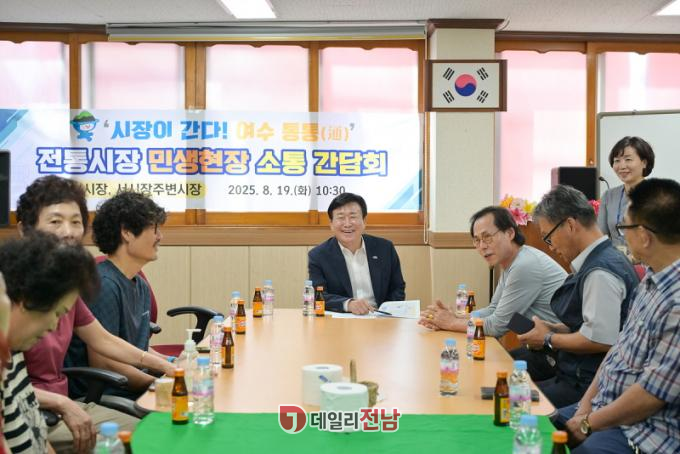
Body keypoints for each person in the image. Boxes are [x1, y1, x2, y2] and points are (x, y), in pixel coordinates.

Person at [16, 176, 174, 453]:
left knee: (161, 432)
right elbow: (9, 387)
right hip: (34, 411)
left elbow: (104, 339)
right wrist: (61, 404)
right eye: (55, 221)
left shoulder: (66, 284)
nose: (68, 232)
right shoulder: (11, 289)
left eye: (76, 222)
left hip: (64, 404)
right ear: (25, 230)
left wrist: (170, 369)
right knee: (142, 442)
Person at [554, 178, 680, 453]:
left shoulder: (676, 302)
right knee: (531, 429)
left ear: (644, 236)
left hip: (643, 432)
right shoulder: (651, 279)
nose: (620, 235)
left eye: (624, 227)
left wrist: (587, 423)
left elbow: (650, 395)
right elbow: (617, 352)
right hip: (602, 409)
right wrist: (584, 409)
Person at [519, 185, 638, 408]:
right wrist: (555, 329)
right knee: (509, 390)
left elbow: (600, 339)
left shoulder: (600, 271)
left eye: (548, 238)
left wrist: (548, 338)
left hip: (588, 386)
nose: (551, 247)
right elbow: (592, 325)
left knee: (513, 402)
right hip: (575, 375)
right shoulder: (602, 258)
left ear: (570, 225)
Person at [419, 206, 566, 379]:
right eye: (477, 240)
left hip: (559, 355)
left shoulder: (525, 265)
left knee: (486, 374)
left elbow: (497, 326)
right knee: (478, 365)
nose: (482, 246)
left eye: (487, 237)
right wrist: (454, 317)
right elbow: (493, 309)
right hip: (541, 349)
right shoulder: (513, 262)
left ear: (510, 233)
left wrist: (450, 323)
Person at [0, 233, 99, 454]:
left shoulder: (14, 351)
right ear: (27, 300)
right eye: (56, 313)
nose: (54, 326)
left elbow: (37, 433)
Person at [65, 191, 169, 400]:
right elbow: (105, 363)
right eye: (154, 228)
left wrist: (174, 363)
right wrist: (161, 384)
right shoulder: (103, 284)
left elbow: (135, 348)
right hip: (103, 396)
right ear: (127, 232)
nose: (160, 236)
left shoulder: (139, 284)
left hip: (130, 389)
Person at [308, 192, 406, 314]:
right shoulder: (318, 255)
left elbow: (397, 287)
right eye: (341, 217)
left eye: (353, 216)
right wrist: (348, 304)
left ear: (364, 221)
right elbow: (318, 295)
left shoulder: (385, 248)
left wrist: (386, 312)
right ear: (331, 224)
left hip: (380, 317)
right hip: (343, 319)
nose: (347, 224)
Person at [598, 136, 655, 250]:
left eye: (628, 159)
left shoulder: (658, 195)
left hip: (648, 258)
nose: (622, 166)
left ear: (644, 163)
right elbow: (600, 236)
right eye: (617, 161)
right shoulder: (609, 196)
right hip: (615, 258)